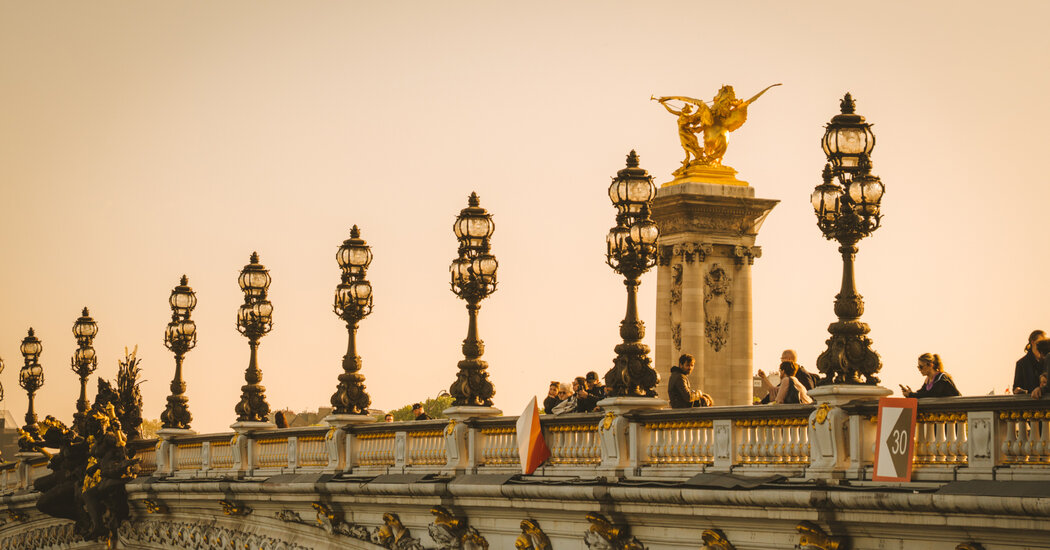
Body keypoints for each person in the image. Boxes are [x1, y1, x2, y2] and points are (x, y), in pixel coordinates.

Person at [1013, 330, 1046, 394]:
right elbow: (1016, 388)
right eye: (1040, 343)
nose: (1042, 346)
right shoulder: (1021, 364)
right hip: (1030, 399)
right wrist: (1019, 390)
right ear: (1032, 342)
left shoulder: (1047, 361)